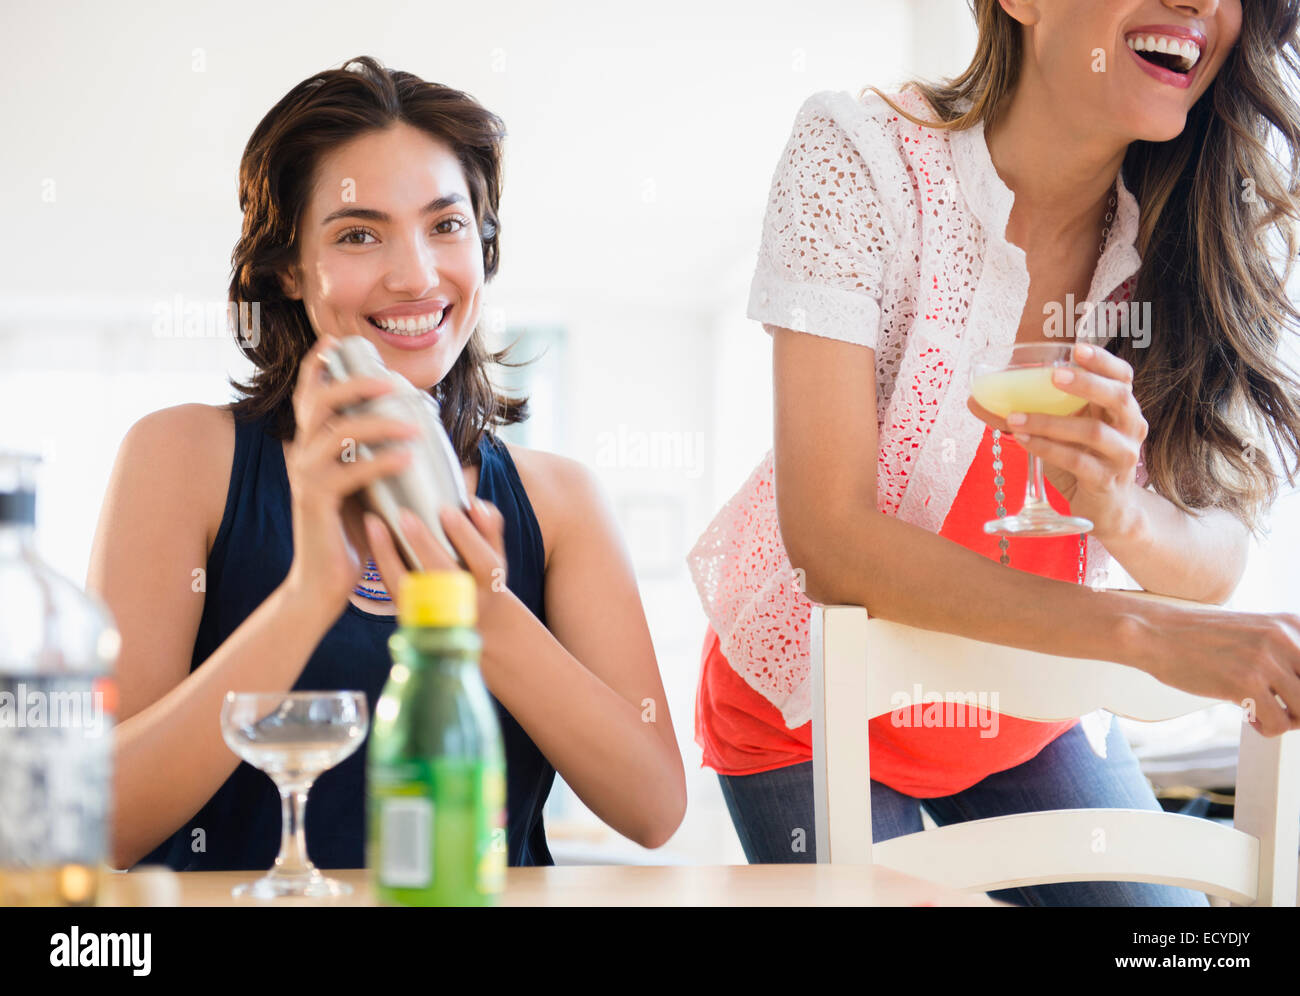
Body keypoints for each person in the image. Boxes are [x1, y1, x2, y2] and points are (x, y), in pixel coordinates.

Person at [687, 0, 1300, 906]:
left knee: (1177, 946)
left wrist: (1122, 511)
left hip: (1028, 716)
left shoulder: (1188, 232)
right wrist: (1143, 634)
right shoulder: (860, 157)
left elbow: (1214, 554)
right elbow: (831, 538)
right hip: (810, 716)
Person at [90, 55, 686, 872]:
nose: (414, 275)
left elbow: (653, 810)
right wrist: (306, 598)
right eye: (359, 233)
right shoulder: (183, 459)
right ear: (290, 268)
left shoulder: (559, 500)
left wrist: (484, 615)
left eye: (445, 225)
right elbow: (102, 823)